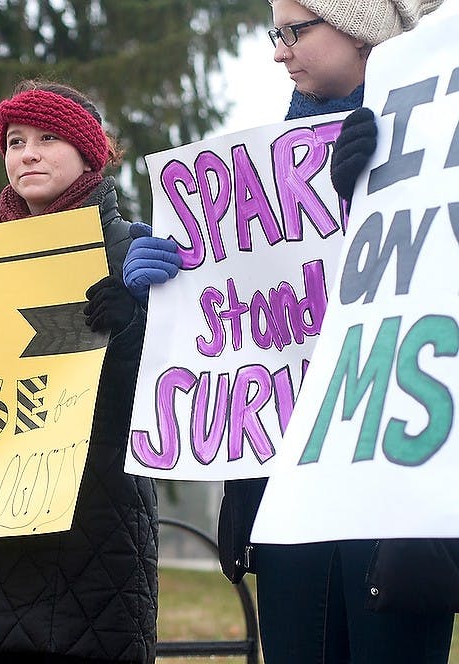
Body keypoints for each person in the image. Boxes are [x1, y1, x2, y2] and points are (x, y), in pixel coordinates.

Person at [215, 1, 452, 663]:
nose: (278, 49)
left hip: (400, 488)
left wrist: (376, 198)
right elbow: (246, 332)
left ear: (363, 27)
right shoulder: (257, 176)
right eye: (275, 32)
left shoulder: (445, 136)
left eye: (295, 31)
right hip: (292, 492)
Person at [0, 80, 157, 664]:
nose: (27, 153)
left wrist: (131, 326)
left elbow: (168, 395)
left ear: (89, 152)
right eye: (16, 141)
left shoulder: (133, 250)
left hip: (92, 532)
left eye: (48, 138)